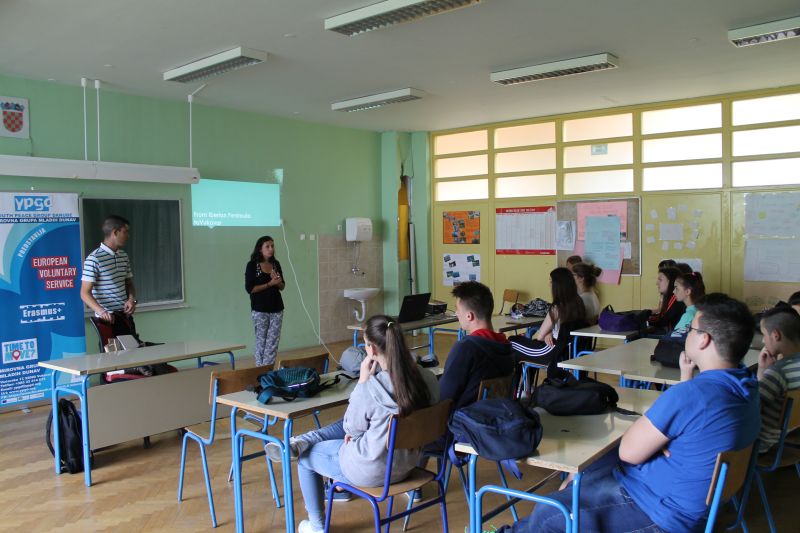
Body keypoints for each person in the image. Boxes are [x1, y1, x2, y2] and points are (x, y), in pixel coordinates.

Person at [501, 293, 760, 533]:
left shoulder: (691, 395)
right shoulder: (748, 387)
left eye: (691, 329)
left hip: (660, 511)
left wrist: (653, 436)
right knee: (585, 475)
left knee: (550, 513)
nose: (686, 334)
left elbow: (628, 452)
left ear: (704, 339)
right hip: (690, 504)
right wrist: (661, 440)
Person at [265, 315, 439, 533]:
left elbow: (350, 428)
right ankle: (302, 440)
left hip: (372, 469)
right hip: (407, 465)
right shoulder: (428, 378)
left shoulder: (371, 387)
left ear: (372, 350)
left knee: (306, 457)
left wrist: (363, 381)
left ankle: (317, 526)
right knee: (355, 426)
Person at [439, 281, 515, 410]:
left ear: (469, 316)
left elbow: (444, 396)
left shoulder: (466, 348)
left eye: (457, 309)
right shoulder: (505, 345)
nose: (456, 313)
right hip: (496, 415)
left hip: (463, 419)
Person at [509, 268, 586, 367]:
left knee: (511, 342)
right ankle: (523, 376)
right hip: (568, 352)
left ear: (557, 285)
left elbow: (540, 337)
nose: (549, 285)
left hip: (550, 352)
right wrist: (550, 332)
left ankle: (516, 377)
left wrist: (547, 334)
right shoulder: (578, 303)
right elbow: (562, 330)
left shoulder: (557, 307)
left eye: (550, 281)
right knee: (520, 344)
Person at [757, 307, 800, 453]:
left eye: (764, 334)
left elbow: (752, 408)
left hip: (764, 443)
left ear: (776, 335)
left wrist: (763, 372)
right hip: (792, 436)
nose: (763, 340)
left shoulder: (778, 373)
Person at [81, 215, 136, 325]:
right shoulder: (94, 259)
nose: (128, 236)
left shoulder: (123, 256)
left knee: (132, 338)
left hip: (125, 316)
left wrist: (131, 299)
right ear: (115, 232)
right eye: (125, 232)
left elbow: (129, 283)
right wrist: (101, 311)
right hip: (107, 319)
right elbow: (84, 293)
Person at [245, 236, 286, 367]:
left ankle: (267, 370)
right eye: (267, 246)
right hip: (260, 310)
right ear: (260, 249)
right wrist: (269, 284)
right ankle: (259, 370)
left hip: (277, 309)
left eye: (272, 246)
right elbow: (250, 289)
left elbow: (282, 286)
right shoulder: (252, 265)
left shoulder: (276, 264)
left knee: (273, 342)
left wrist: (278, 282)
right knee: (261, 342)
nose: (271, 249)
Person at [647, 266, 684, 334]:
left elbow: (663, 321)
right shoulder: (668, 297)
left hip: (674, 336)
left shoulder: (675, 298)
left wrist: (645, 318)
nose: (657, 283)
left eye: (660, 280)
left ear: (671, 281)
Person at [670, 271, 706, 338]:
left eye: (676, 288)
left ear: (687, 291)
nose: (673, 291)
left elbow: (674, 339)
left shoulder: (688, 316)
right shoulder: (701, 310)